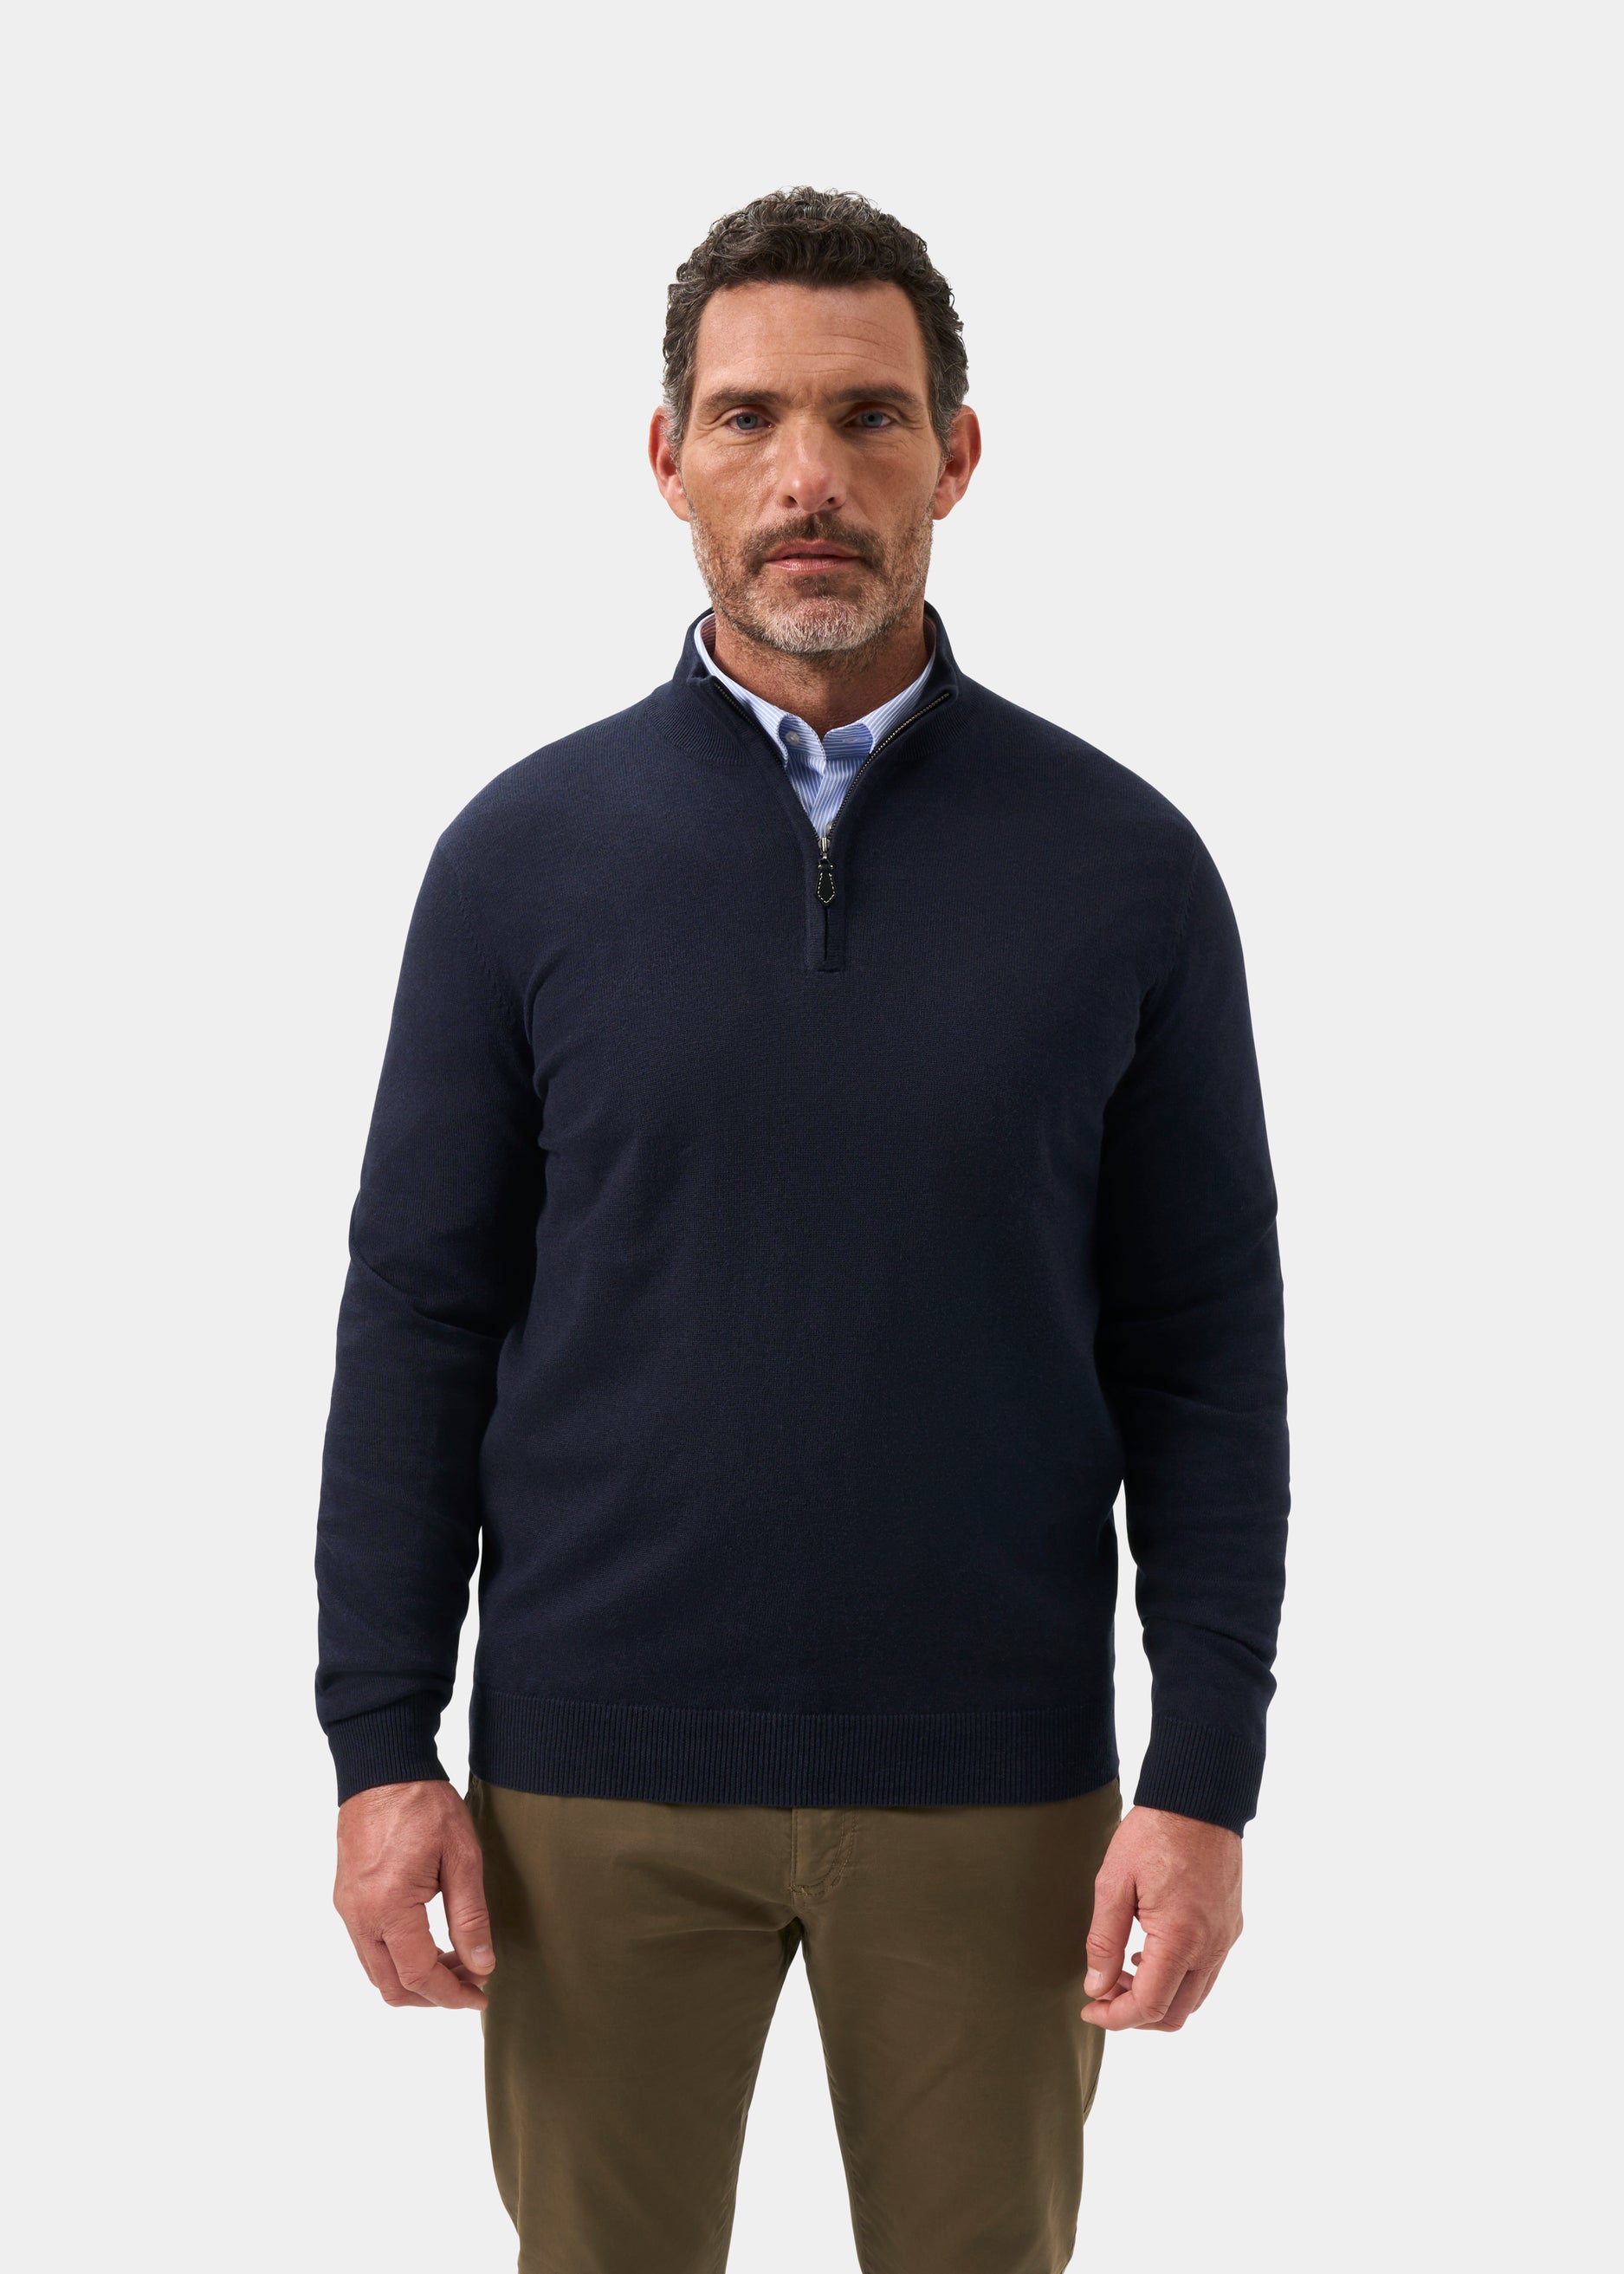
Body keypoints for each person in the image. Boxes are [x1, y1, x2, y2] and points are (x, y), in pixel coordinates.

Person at [315, 185, 1290, 2274]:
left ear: (955, 453)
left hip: (996, 1787)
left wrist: (1201, 1771)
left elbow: (1203, 1349)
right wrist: (379, 1742)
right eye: (749, 415)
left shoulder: (1123, 869)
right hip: (591, 1778)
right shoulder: (518, 859)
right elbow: (418, 1313)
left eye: (867, 414)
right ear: (665, 456)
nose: (808, 475)